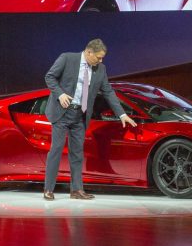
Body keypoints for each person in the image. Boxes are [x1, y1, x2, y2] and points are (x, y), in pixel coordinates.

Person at [43, 39, 137, 200]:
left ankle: (76, 190)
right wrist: (60, 94)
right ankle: (48, 189)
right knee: (56, 150)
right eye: (98, 57)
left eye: (102, 58)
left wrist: (122, 114)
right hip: (62, 113)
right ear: (88, 52)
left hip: (80, 115)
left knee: (77, 153)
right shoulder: (67, 58)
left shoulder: (101, 69)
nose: (101, 61)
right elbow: (50, 77)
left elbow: (108, 92)